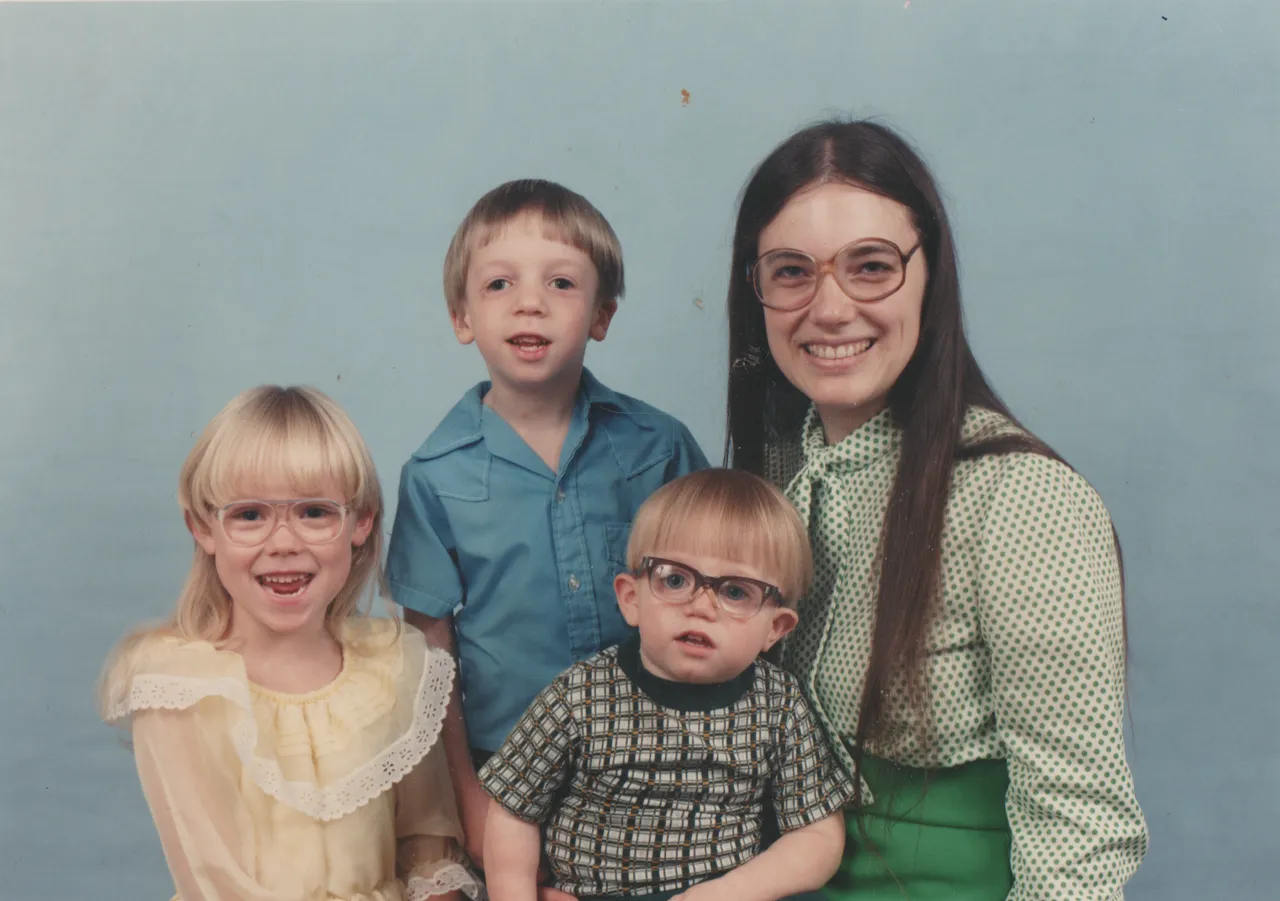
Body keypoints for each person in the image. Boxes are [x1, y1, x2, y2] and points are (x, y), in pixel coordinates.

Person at [724, 120, 1149, 900]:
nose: (829, 307)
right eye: (791, 272)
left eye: (872, 267)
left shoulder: (1023, 499)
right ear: (755, 290)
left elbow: (1079, 825)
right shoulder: (773, 473)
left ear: (931, 275)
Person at [387, 179, 709, 867]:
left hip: (661, 763)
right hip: (506, 778)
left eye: (561, 282)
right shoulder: (434, 475)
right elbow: (430, 655)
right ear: (462, 316)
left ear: (601, 314)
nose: (530, 301)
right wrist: (468, 798)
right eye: (499, 283)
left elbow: (720, 588)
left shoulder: (659, 446)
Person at [99, 385, 482, 901]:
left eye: (314, 512)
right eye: (250, 515)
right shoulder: (181, 688)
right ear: (202, 527)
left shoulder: (396, 666)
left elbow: (429, 856)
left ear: (361, 521)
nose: (283, 543)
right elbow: (217, 885)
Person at [479, 468, 856, 901]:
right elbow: (513, 810)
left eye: (736, 592)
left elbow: (819, 835)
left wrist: (731, 891)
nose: (701, 606)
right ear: (631, 598)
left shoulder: (779, 704)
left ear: (776, 628)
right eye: (676, 580)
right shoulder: (578, 694)